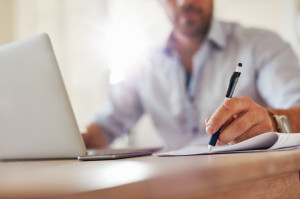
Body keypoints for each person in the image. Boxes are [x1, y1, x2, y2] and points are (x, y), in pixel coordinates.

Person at [82, 0, 300, 150]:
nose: (185, 0)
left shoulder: (261, 45)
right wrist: (72, 139)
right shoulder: (143, 65)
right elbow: (104, 126)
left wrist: (273, 122)